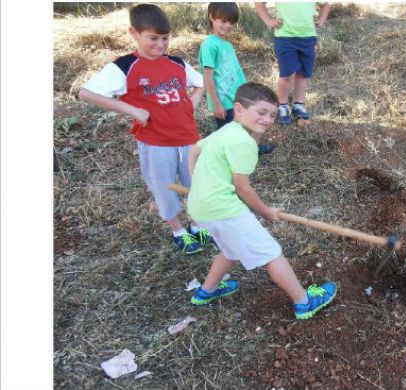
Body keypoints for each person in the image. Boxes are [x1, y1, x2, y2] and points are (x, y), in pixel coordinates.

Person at [187, 82, 337, 320]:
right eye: (261, 112)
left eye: (272, 115)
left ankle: (207, 291)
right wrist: (266, 212)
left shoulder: (227, 132)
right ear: (238, 108)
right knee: (272, 253)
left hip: (201, 208)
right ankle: (304, 302)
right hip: (224, 210)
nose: (268, 120)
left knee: (230, 249)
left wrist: (196, 182)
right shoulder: (242, 142)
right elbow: (243, 188)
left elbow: (194, 150)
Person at [78, 4, 212, 255]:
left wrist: (190, 107)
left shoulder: (176, 62)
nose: (161, 44)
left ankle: (197, 225)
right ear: (134, 33)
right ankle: (178, 230)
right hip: (156, 142)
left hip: (189, 138)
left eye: (165, 38)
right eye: (153, 38)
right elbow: (86, 93)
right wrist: (132, 110)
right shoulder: (125, 66)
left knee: (196, 183)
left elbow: (200, 84)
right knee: (165, 187)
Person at [200, 2, 275, 154]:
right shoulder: (209, 44)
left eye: (232, 22)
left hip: (237, 97)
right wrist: (216, 104)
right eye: (223, 21)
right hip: (224, 101)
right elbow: (208, 77)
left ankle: (252, 148)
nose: (228, 26)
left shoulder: (225, 43)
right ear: (211, 17)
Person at [254, 2, 330, 125]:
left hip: (308, 37)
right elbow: (259, 3)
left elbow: (325, 5)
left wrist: (321, 19)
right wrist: (268, 20)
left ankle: (298, 105)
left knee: (303, 73)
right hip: (285, 37)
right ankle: (282, 106)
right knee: (287, 74)